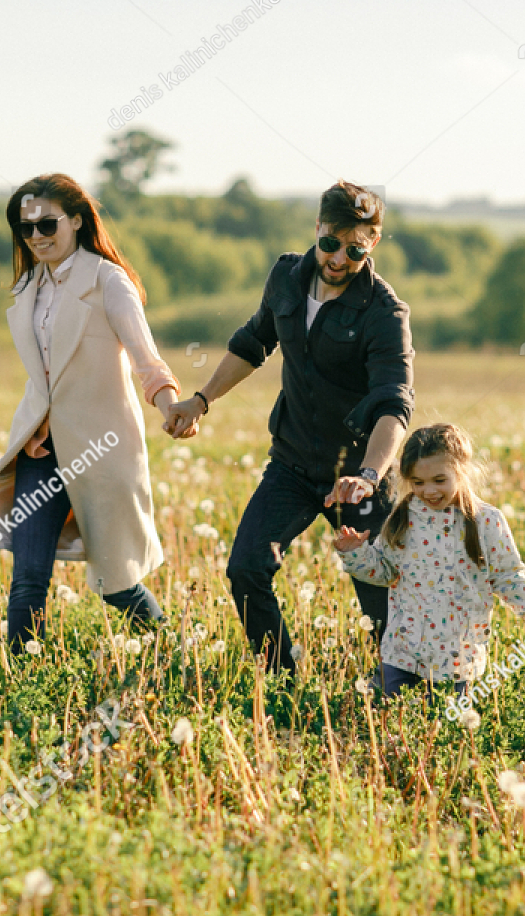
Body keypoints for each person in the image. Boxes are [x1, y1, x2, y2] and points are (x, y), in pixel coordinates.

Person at [164, 180, 414, 676]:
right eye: (330, 244)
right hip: (293, 464)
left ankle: (398, 696)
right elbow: (254, 342)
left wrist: (367, 476)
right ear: (317, 229)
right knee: (246, 569)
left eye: (355, 249)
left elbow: (394, 406)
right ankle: (281, 677)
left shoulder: (386, 314)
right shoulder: (286, 278)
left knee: (383, 602)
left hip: (359, 475)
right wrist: (200, 400)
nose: (339, 258)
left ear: (374, 243)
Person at [0, 173, 180, 653]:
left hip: (99, 447)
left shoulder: (108, 281)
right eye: (25, 229)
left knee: (117, 582)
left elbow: (145, 358)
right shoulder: (30, 285)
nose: (36, 238)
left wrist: (171, 406)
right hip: (40, 448)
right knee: (28, 579)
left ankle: (169, 651)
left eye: (46, 225)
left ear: (75, 220)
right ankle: (23, 693)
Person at [332, 423, 525, 700]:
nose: (429, 491)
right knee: (382, 716)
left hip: (457, 659)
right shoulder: (402, 518)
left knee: (443, 725)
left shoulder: (487, 521)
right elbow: (384, 571)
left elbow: (507, 579)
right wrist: (356, 553)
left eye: (439, 480)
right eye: (418, 483)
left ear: (462, 472)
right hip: (402, 653)